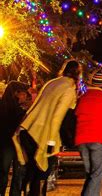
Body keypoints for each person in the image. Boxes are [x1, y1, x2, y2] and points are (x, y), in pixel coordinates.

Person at [13, 60, 81, 196]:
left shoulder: (52, 82)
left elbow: (35, 104)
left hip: (27, 130)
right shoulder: (69, 90)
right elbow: (57, 119)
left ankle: (27, 191)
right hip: (42, 135)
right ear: (78, 74)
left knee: (32, 171)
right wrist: (49, 146)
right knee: (43, 170)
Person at [75, 69, 102, 196]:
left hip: (82, 141)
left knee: (91, 175)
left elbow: (76, 115)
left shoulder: (83, 98)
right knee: (96, 175)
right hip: (100, 139)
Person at [0, 81, 30, 196]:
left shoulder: (19, 109)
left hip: (12, 146)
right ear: (16, 93)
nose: (25, 96)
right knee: (12, 172)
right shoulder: (17, 111)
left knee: (9, 172)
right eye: (23, 93)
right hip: (10, 145)